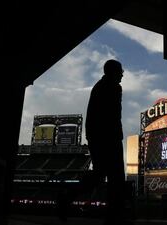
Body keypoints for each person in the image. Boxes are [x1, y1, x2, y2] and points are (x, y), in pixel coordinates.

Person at [57, 59, 128, 224]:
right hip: (108, 139)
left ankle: (67, 197)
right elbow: (111, 117)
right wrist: (114, 138)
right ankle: (114, 216)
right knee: (114, 177)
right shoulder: (112, 87)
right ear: (113, 71)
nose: (122, 74)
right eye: (120, 71)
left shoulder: (101, 86)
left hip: (99, 138)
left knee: (100, 176)